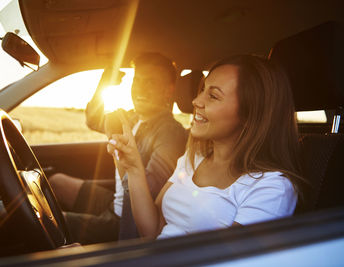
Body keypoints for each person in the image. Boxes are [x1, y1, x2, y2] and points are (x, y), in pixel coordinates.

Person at [107, 55, 303, 239]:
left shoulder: (271, 188)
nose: (196, 101)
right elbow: (153, 230)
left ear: (250, 115)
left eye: (213, 96)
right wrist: (133, 169)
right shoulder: (193, 159)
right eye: (202, 90)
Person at [49, 52, 187, 244]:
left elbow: (150, 190)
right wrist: (104, 84)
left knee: (46, 223)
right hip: (116, 202)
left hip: (127, 221)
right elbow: (94, 119)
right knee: (55, 182)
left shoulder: (171, 134)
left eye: (150, 82)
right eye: (137, 80)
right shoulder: (129, 118)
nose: (140, 88)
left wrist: (125, 160)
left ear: (168, 91)